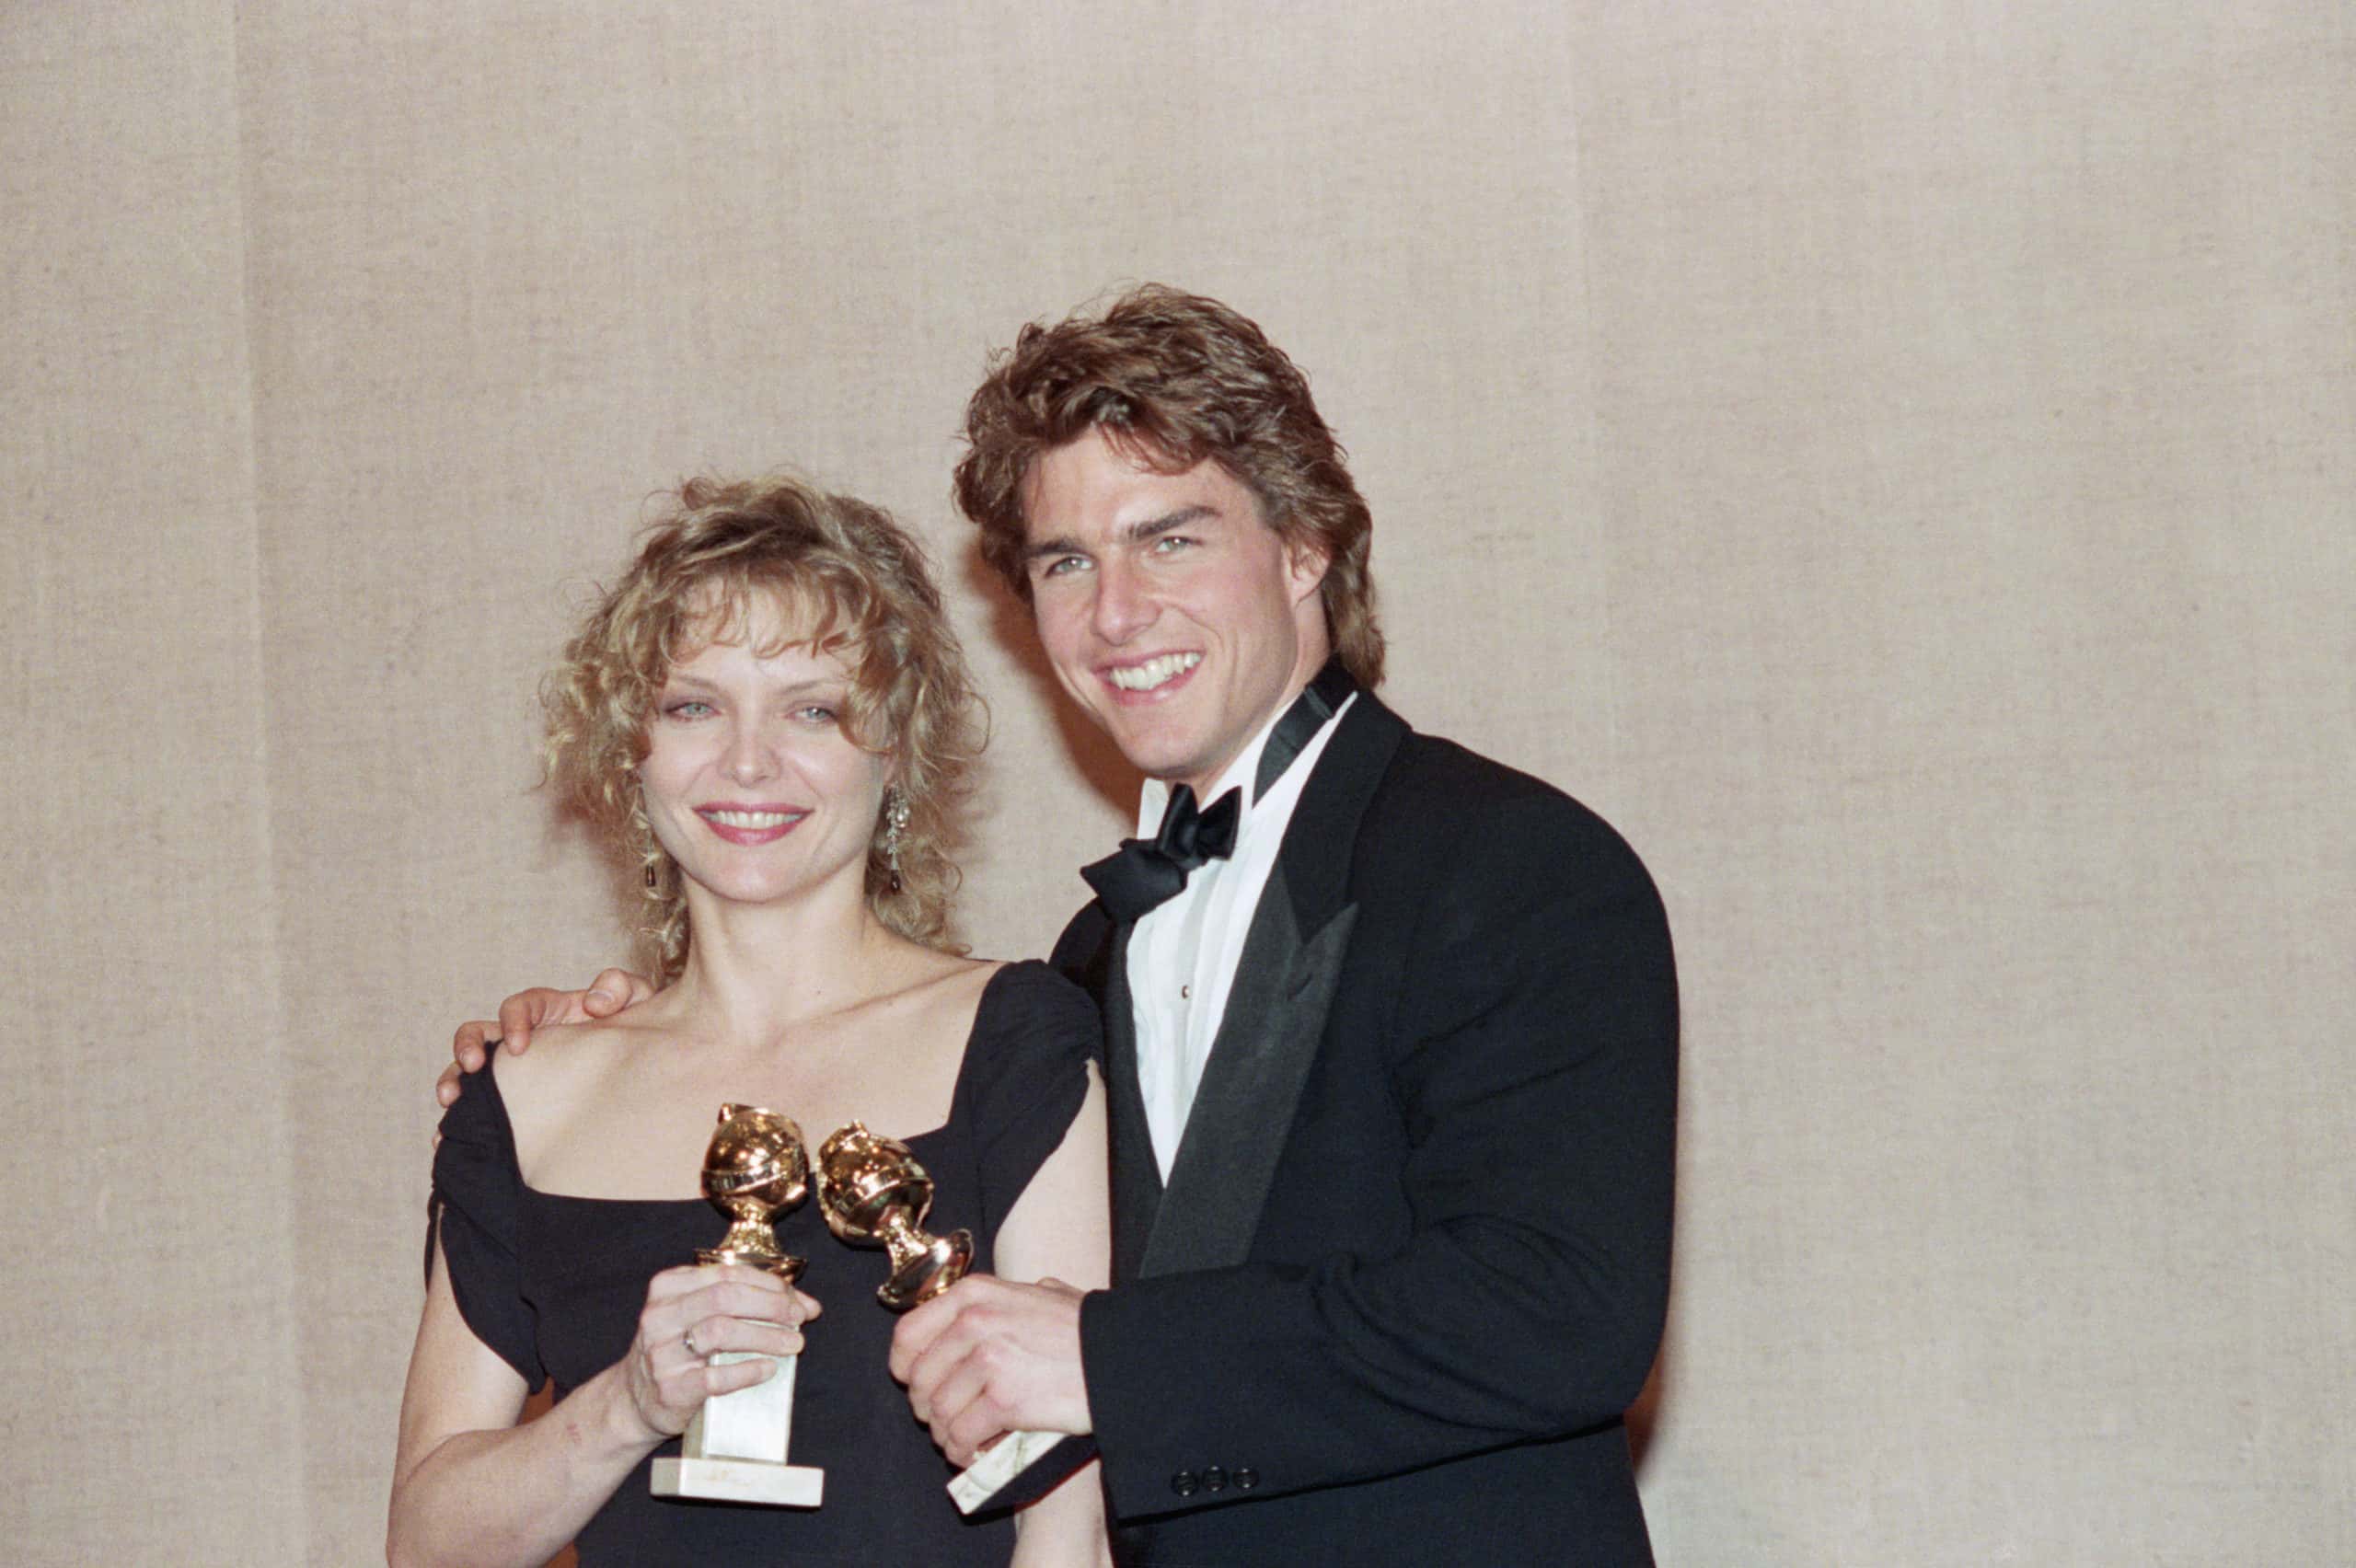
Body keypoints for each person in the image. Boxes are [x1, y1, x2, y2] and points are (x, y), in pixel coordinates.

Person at [450, 287, 1678, 1565]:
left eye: (1169, 540)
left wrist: (1100, 1362)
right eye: (1065, 563)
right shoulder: (1087, 963)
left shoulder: (1508, 861)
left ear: (1305, 545)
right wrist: (590, 1039)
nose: (1116, 612)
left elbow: (1564, 1313)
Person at [392, 476, 1111, 1567]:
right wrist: (628, 1403)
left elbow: (1073, 1533)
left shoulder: (1015, 1040)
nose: (746, 761)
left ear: (895, 748)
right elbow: (430, 1542)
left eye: (812, 709)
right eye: (693, 706)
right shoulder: (528, 1092)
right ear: (629, 747)